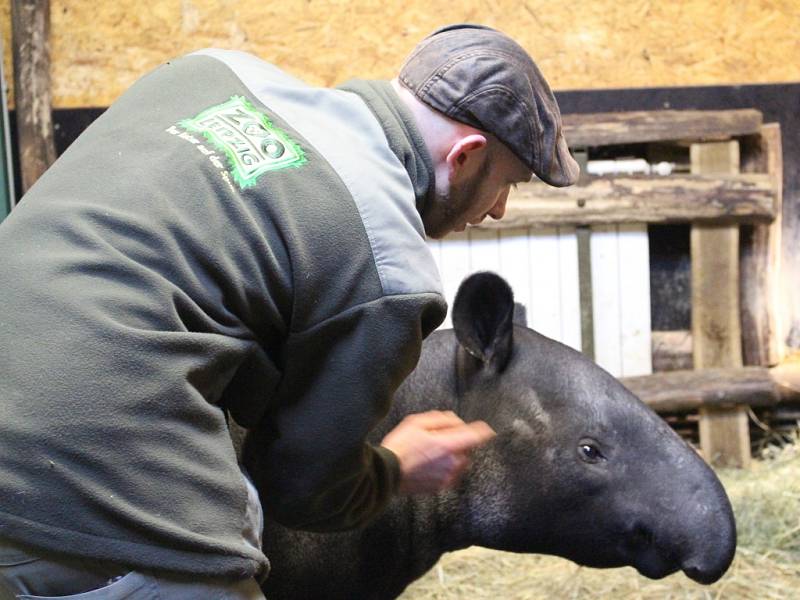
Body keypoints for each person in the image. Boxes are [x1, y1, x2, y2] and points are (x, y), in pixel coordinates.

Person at [0, 23, 578, 598]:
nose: (500, 210)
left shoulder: (213, 70)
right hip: (75, 473)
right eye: (509, 183)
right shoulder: (389, 265)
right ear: (467, 156)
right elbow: (300, 487)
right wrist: (394, 469)